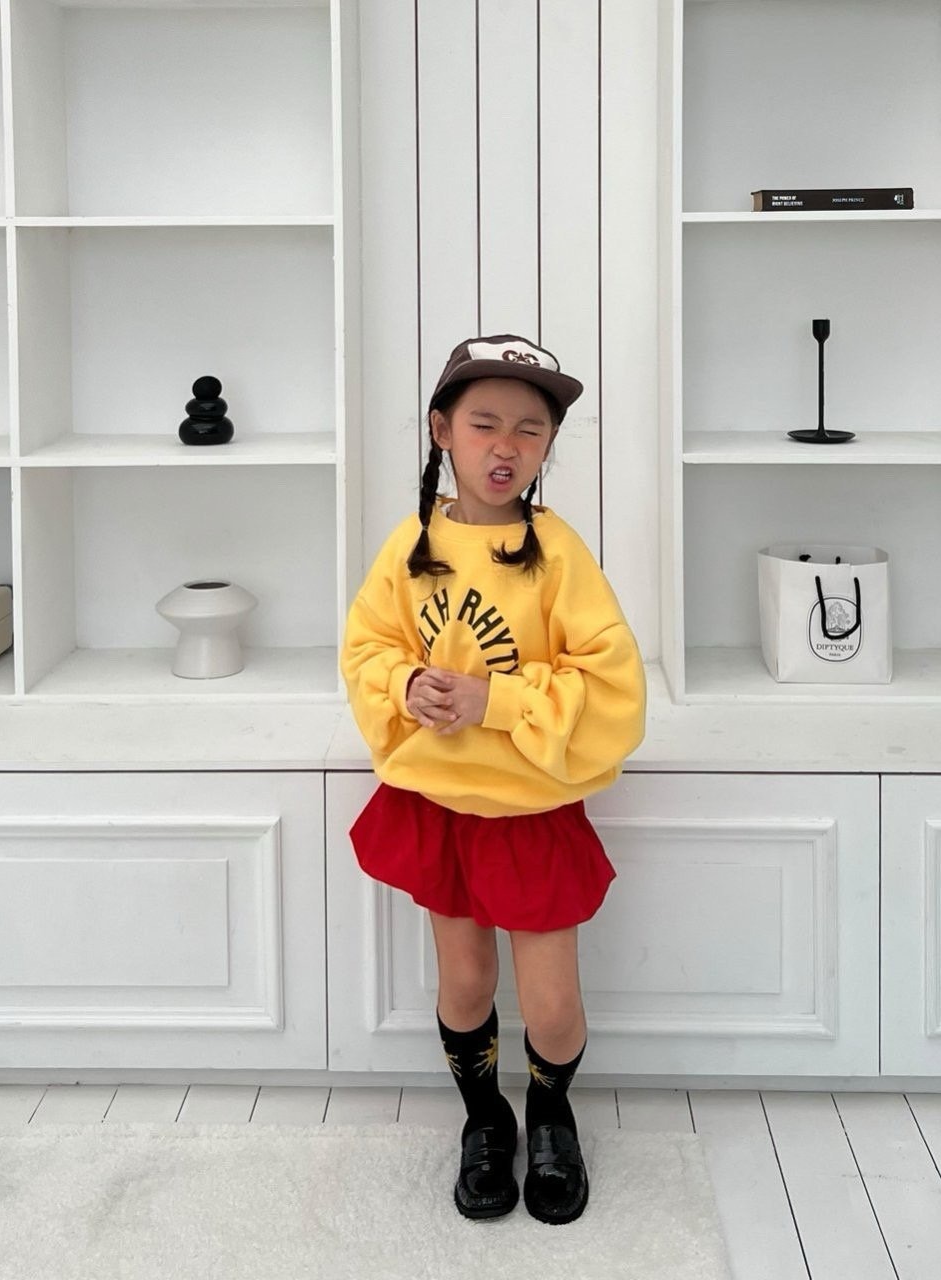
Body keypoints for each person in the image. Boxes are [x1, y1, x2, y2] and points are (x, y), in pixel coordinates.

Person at [339, 333, 647, 1226]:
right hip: (441, 804)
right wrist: (407, 684)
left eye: (529, 429)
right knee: (466, 984)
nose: (505, 446)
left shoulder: (558, 552)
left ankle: (550, 1115)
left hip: (530, 810)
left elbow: (614, 685)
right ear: (442, 430)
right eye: (484, 424)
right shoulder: (413, 543)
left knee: (551, 1005)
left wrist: (495, 700)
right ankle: (486, 1120)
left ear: (548, 445)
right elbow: (366, 647)